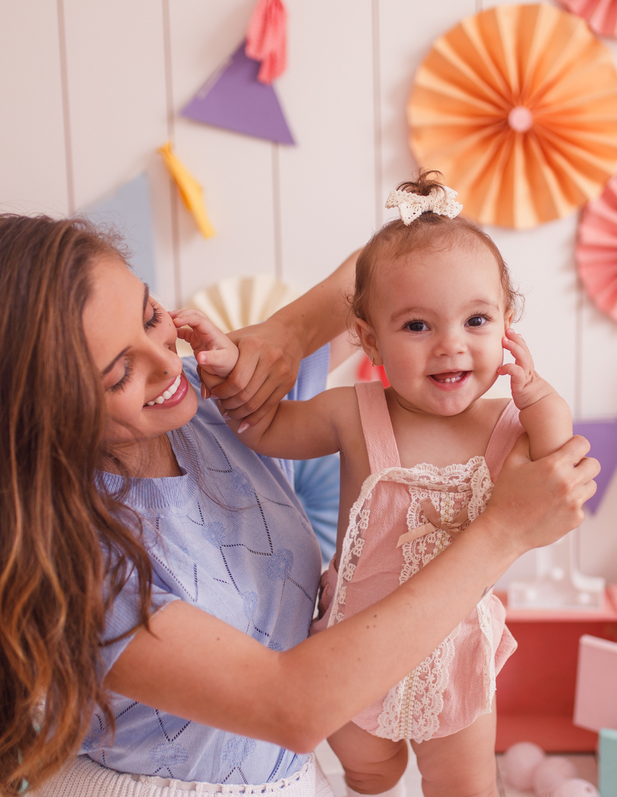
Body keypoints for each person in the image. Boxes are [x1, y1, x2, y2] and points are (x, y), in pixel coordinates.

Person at [0, 213, 599, 797]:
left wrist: (278, 337)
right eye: (119, 372)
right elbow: (294, 706)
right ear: (29, 417)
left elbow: (401, 257)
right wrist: (502, 532)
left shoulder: (213, 415)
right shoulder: (73, 560)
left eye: (151, 318)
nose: (164, 367)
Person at [195, 172, 573, 797]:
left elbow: (559, 470)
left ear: (508, 324)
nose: (450, 345)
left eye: (476, 320)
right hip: (353, 651)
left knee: (467, 783)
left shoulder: (508, 425)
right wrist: (231, 369)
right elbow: (265, 428)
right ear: (370, 339)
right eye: (417, 327)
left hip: (455, 654)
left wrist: (541, 399)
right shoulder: (353, 412)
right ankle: (374, 779)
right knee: (372, 769)